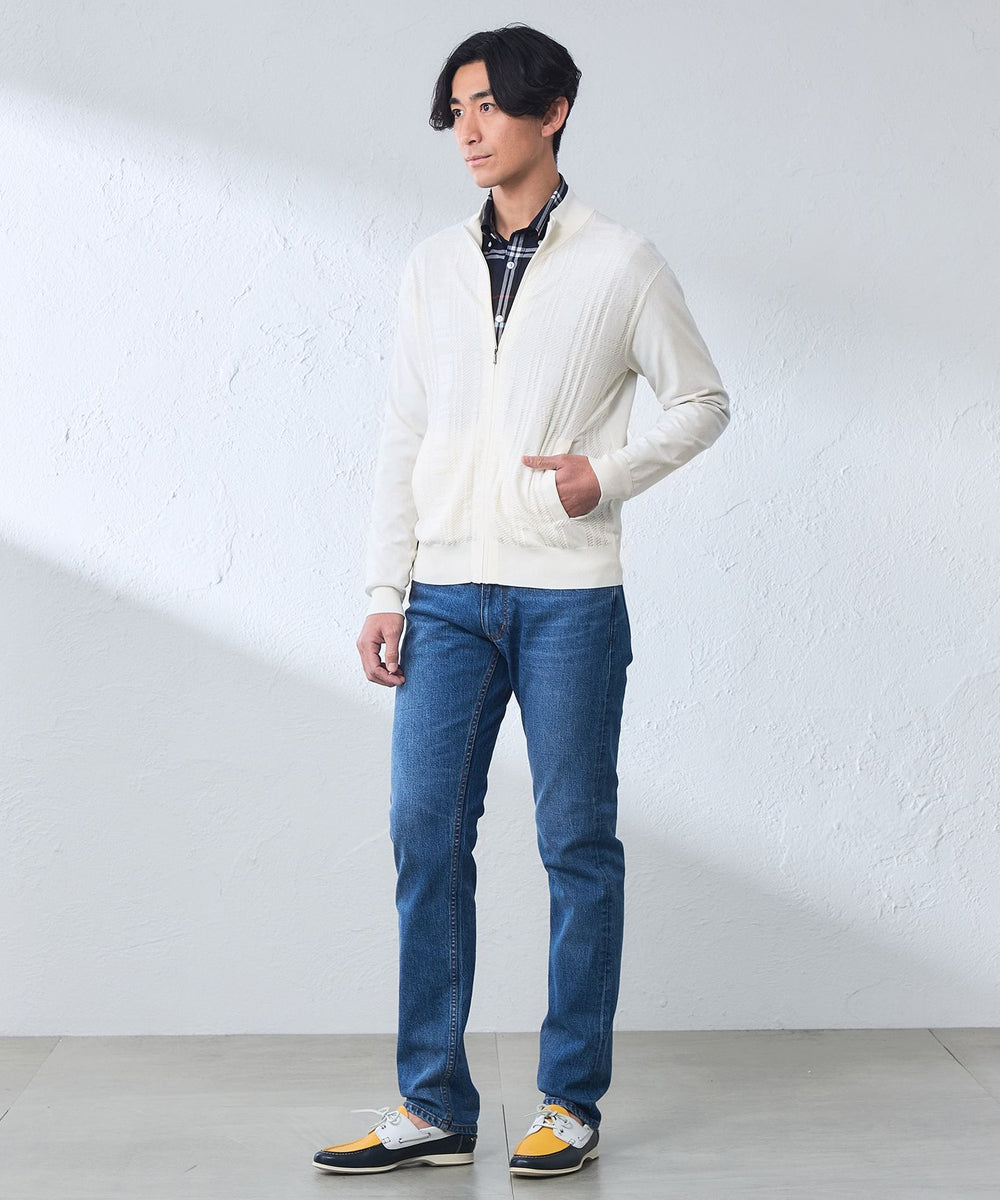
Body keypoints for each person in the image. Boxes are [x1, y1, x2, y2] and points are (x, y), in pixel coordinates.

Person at [313, 22, 730, 1180]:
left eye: (488, 105)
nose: (467, 129)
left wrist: (609, 474)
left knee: (575, 842)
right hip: (445, 595)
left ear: (552, 113)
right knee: (422, 831)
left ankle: (568, 1100)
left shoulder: (621, 262)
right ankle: (433, 1104)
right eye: (455, 110)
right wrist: (385, 587)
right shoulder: (430, 267)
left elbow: (701, 400)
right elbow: (404, 432)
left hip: (567, 598)